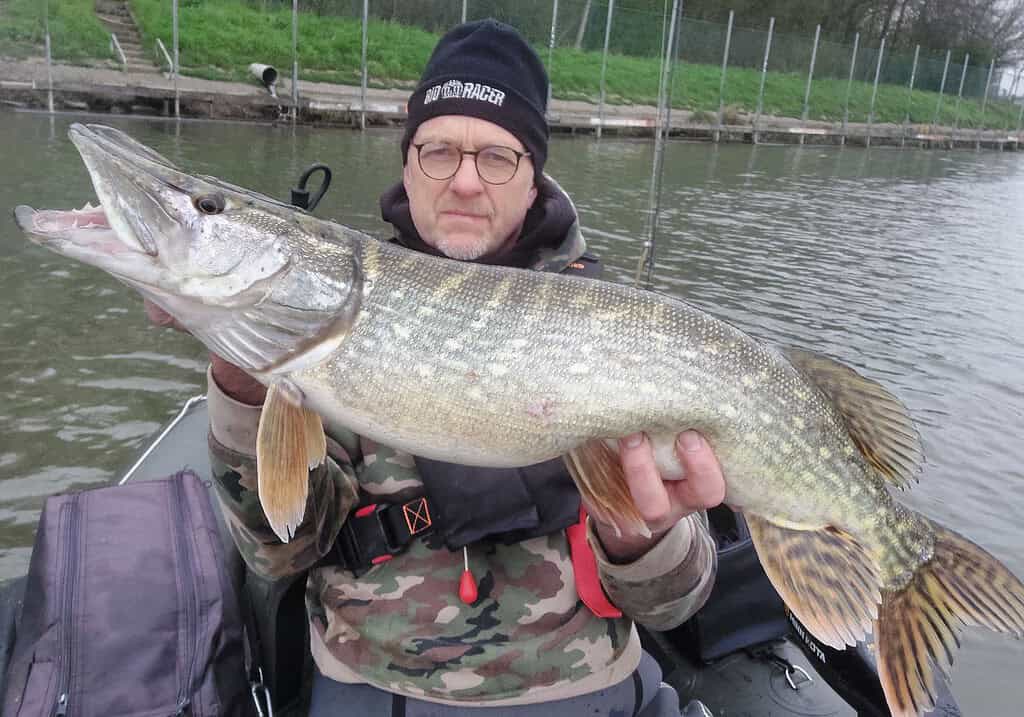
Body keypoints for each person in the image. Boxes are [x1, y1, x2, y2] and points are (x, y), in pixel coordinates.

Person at [149, 19, 725, 717]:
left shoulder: (616, 323)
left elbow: (677, 602)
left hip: (583, 689)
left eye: (496, 157)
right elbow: (279, 552)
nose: (464, 183)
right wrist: (240, 366)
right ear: (407, 162)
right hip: (375, 686)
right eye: (438, 151)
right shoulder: (335, 302)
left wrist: (640, 534)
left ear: (532, 176)